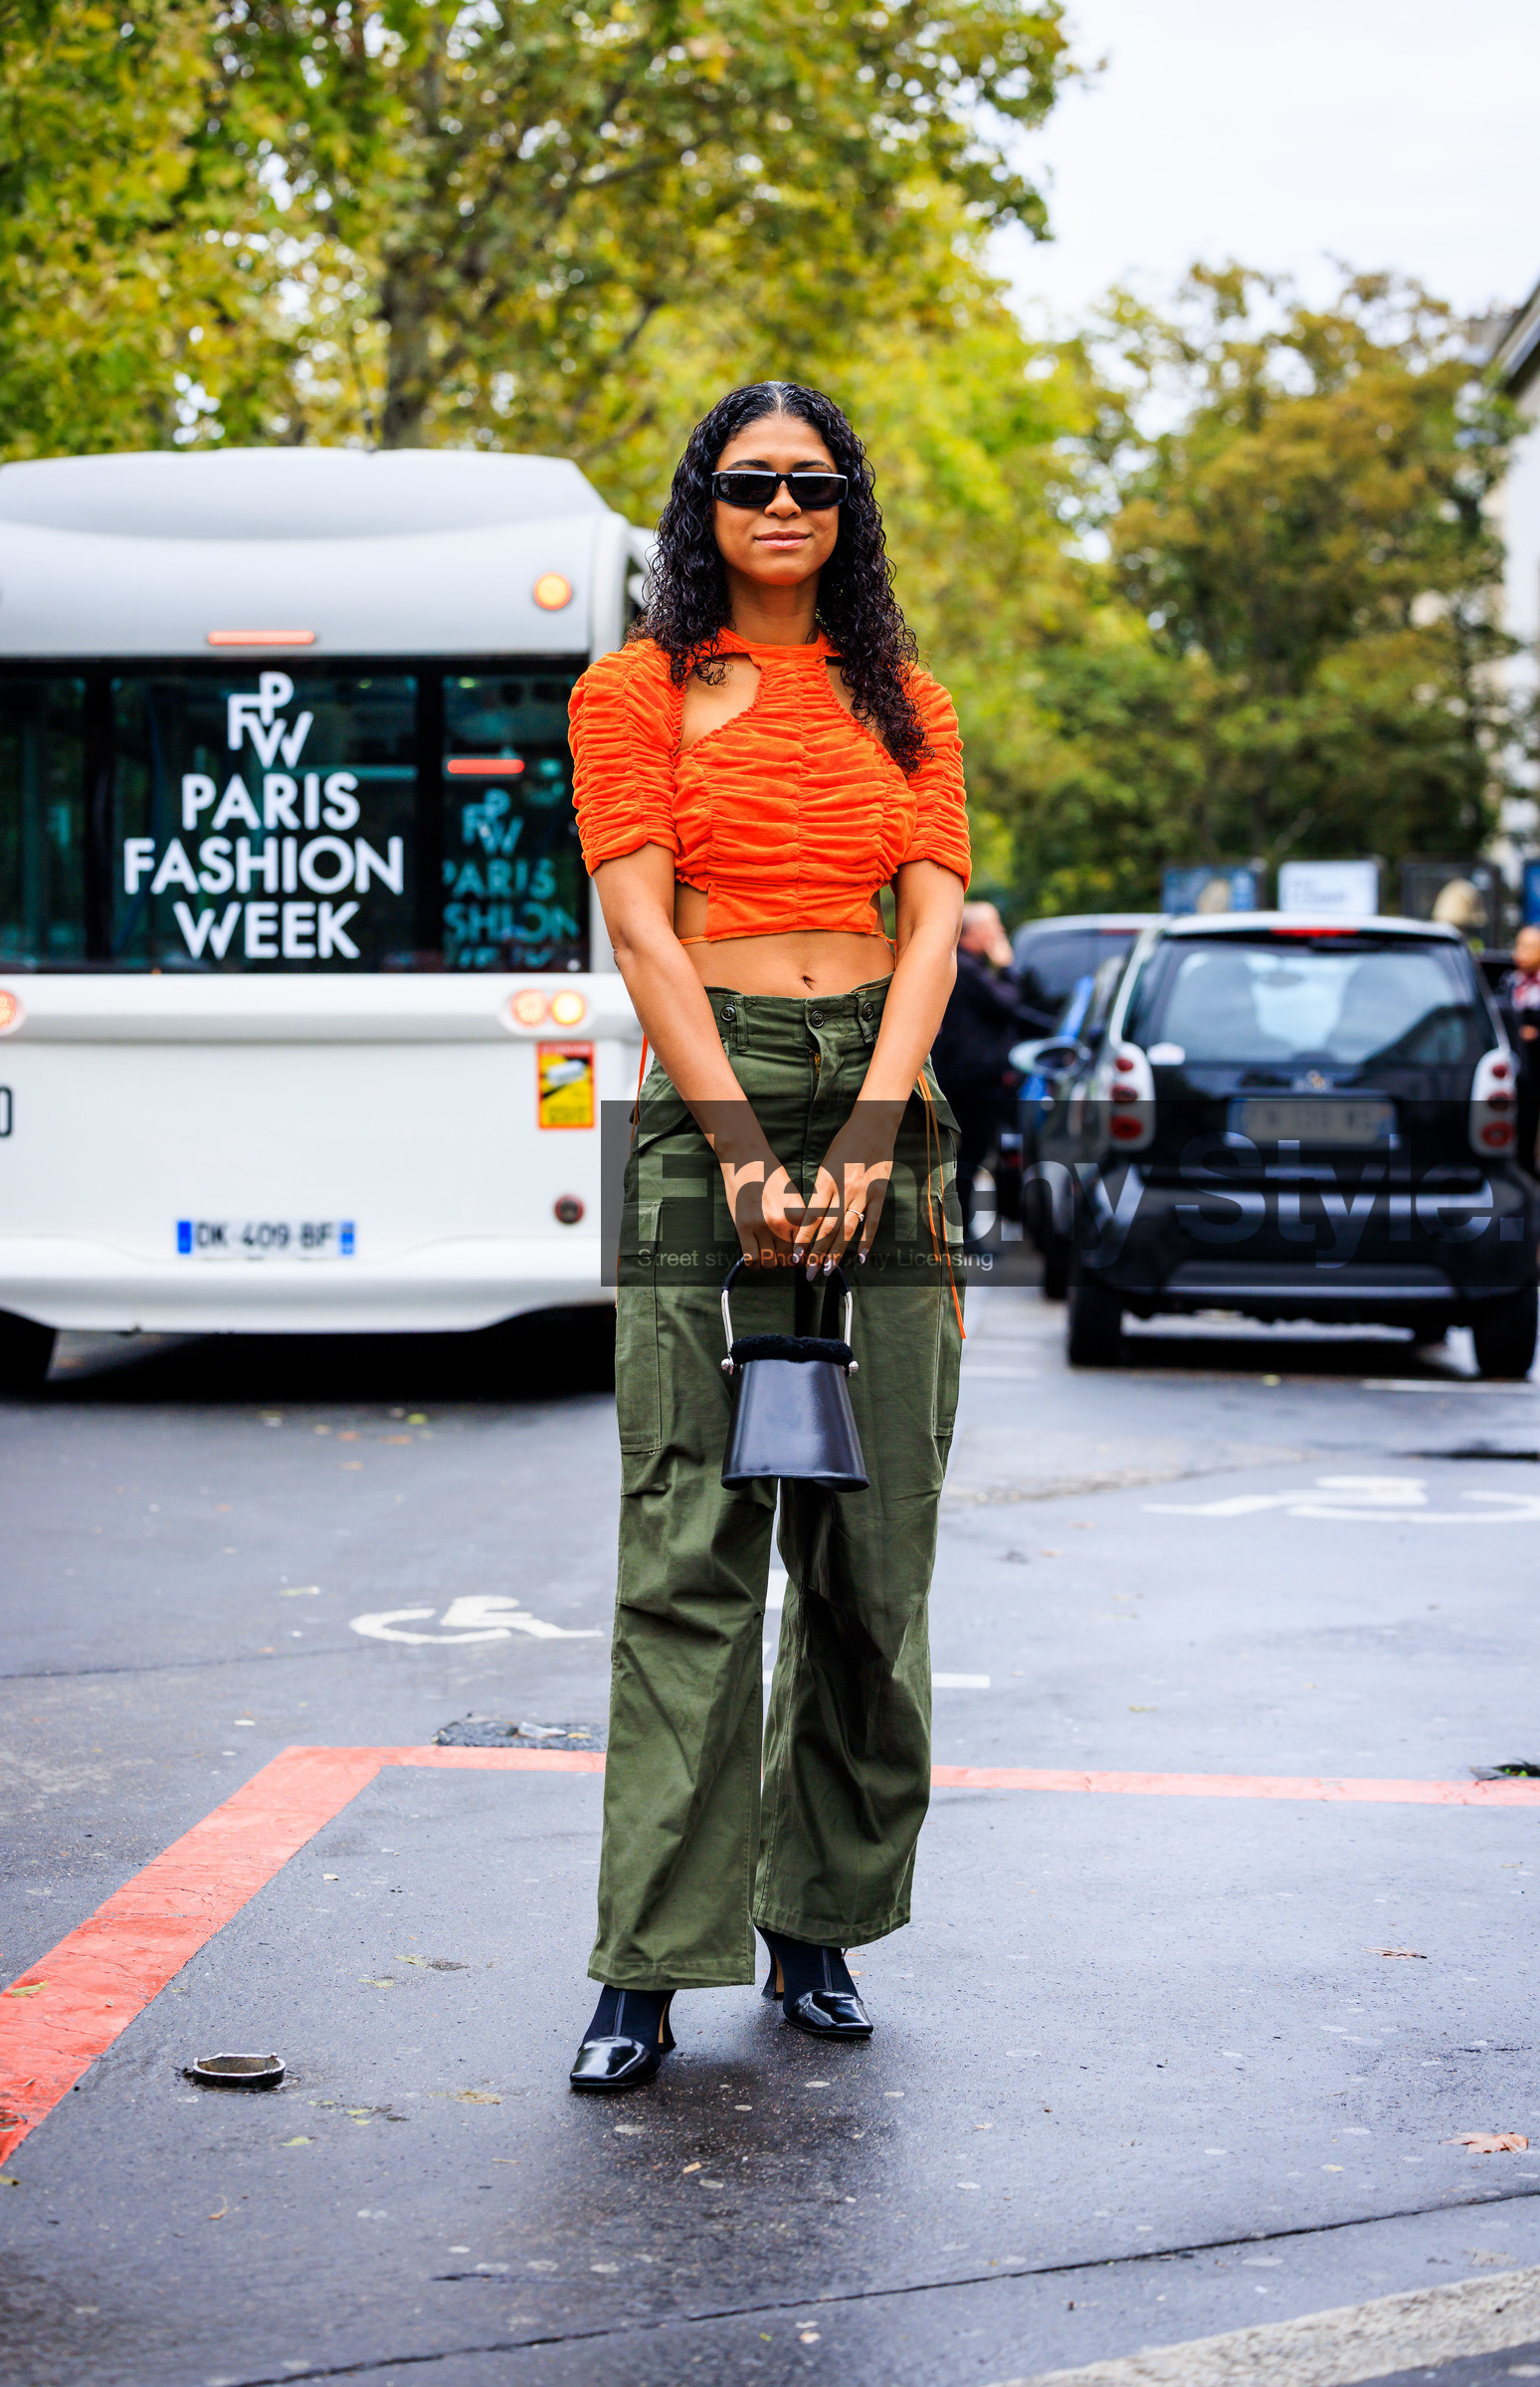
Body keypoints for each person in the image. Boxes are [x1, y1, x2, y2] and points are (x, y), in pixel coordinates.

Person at [565, 380, 970, 2090]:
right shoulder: (631, 689)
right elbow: (641, 928)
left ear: (848, 505)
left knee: (873, 1556)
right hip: (703, 1100)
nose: (783, 506)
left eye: (813, 482)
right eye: (751, 482)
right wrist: (739, 1144)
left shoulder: (909, 701)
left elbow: (932, 926)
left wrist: (873, 1126)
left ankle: (819, 1922)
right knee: (690, 1543)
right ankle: (648, 1962)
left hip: (885, 1095)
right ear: (705, 506)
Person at [931, 900, 1039, 1246]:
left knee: (973, 1153)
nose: (1000, 934)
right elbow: (1007, 1003)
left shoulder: (968, 965)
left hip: (971, 1077)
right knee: (970, 1154)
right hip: (972, 1079)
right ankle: (960, 1230)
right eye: (994, 927)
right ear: (973, 932)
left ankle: (963, 1226)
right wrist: (1006, 967)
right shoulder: (966, 968)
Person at [1499, 923, 1540, 1173]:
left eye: (1529, 948)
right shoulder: (1509, 982)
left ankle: (1526, 1162)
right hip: (1514, 1063)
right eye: (1519, 946)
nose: (1520, 953)